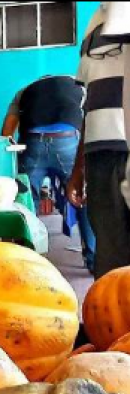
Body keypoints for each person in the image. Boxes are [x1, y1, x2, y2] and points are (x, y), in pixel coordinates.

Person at [1, 75, 94, 273]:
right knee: (82, 195)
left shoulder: (24, 90)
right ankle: (93, 258)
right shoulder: (79, 86)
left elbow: (7, 132)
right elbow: (91, 118)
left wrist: (13, 163)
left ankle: (26, 260)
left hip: (32, 142)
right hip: (68, 141)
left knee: (25, 200)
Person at [68, 2, 130, 279]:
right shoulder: (92, 26)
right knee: (110, 253)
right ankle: (111, 319)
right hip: (99, 152)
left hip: (125, 144)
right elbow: (89, 103)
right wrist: (77, 169)